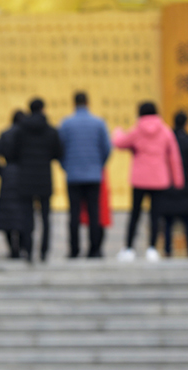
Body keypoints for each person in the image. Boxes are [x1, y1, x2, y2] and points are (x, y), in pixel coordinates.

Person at [113, 101, 184, 262]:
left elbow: (120, 143)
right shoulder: (165, 131)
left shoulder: (137, 130)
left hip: (139, 178)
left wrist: (117, 132)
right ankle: (152, 249)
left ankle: (129, 248)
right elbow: (174, 157)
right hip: (159, 179)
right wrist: (178, 180)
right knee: (155, 215)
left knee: (135, 214)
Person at [8, 98, 63, 262]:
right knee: (45, 218)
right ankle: (44, 251)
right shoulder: (51, 130)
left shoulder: (20, 131)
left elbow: (12, 154)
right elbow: (58, 153)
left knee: (27, 218)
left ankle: (29, 251)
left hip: (25, 178)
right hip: (44, 178)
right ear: (43, 109)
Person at [58, 91, 112, 259]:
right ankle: (94, 250)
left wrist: (66, 166)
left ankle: (74, 250)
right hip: (94, 175)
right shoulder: (98, 123)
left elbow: (60, 148)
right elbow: (107, 148)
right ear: (88, 102)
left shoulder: (66, 124)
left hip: (73, 175)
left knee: (73, 214)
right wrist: (99, 165)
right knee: (93, 213)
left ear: (73, 103)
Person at [0, 110, 33, 260]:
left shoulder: (4, 134)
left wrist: (0, 170)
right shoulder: (27, 136)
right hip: (25, 174)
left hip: (8, 174)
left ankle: (12, 249)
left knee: (7, 216)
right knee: (23, 214)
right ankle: (24, 245)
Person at [162, 111, 188, 257]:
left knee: (168, 222)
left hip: (169, 186)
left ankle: (167, 250)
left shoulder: (167, 140)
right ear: (186, 123)